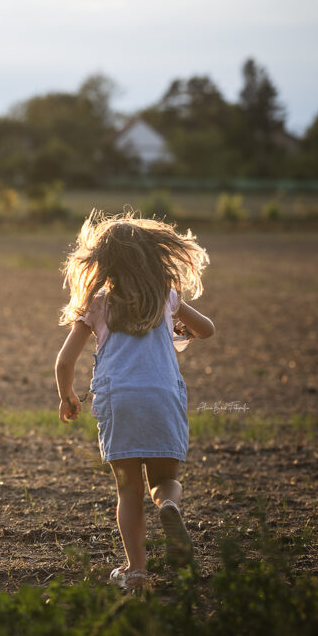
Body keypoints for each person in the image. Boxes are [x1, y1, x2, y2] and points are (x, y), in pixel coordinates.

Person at [54, 210, 215, 589]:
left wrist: (67, 396)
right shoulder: (165, 298)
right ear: (152, 257)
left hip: (119, 399)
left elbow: (64, 362)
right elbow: (206, 330)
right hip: (162, 397)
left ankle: (137, 572)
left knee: (128, 491)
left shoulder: (96, 303)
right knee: (165, 480)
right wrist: (175, 311)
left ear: (103, 262)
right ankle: (169, 506)